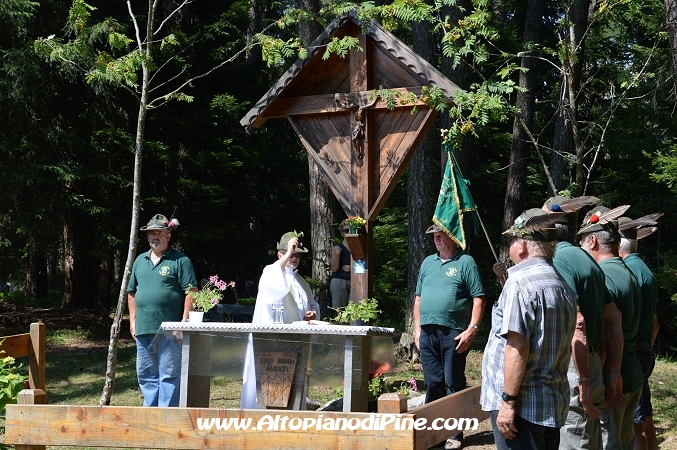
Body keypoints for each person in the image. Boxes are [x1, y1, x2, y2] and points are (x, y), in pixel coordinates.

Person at [481, 209, 577, 450]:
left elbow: (518, 346)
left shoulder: (520, 282)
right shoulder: (561, 283)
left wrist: (508, 403)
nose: (511, 245)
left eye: (512, 239)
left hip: (523, 409)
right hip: (550, 403)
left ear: (522, 245)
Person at [541, 196, 623, 450]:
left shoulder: (559, 260)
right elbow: (614, 318)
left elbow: (577, 322)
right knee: (589, 440)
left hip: (574, 366)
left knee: (574, 441)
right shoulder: (589, 260)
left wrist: (583, 380)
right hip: (591, 363)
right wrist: (610, 372)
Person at [414, 224, 485, 450]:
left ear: (452, 236)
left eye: (441, 234)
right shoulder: (427, 263)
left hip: (454, 333)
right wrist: (417, 331)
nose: (436, 238)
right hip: (427, 333)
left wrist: (472, 329)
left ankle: (454, 433)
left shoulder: (466, 262)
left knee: (453, 381)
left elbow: (479, 298)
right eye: (434, 235)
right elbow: (417, 299)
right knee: (433, 383)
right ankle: (431, 433)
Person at [578, 206, 642, 450]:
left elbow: (607, 331)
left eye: (583, 243)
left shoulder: (603, 276)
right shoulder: (627, 270)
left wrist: (603, 381)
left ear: (593, 240)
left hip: (613, 379)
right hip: (630, 370)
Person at [241, 231, 321, 409]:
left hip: (295, 340)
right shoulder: (270, 272)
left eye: (297, 255)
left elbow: (312, 305)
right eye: (291, 254)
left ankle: (292, 411)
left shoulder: (301, 281)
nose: (294, 258)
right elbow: (272, 288)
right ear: (280, 255)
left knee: (293, 383)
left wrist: (311, 313)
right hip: (272, 342)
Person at [127, 214, 197, 407]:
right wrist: (132, 322)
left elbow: (191, 291)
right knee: (146, 375)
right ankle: (151, 415)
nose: (154, 237)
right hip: (144, 328)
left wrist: (183, 322)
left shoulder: (180, 261)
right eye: (151, 234)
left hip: (170, 330)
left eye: (159, 233)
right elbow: (131, 292)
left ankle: (167, 417)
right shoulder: (140, 261)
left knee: (169, 374)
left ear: (168, 236)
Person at [618, 216, 661, 450]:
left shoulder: (629, 271)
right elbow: (655, 323)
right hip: (642, 349)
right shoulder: (641, 267)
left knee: (636, 424)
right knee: (644, 416)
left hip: (633, 351)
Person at [330, 220, 351, 309]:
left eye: (351, 230)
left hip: (355, 281)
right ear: (342, 233)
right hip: (339, 281)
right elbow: (334, 269)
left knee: (355, 311)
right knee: (340, 311)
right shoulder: (337, 248)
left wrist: (352, 268)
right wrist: (337, 255)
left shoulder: (359, 248)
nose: (349, 233)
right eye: (346, 230)